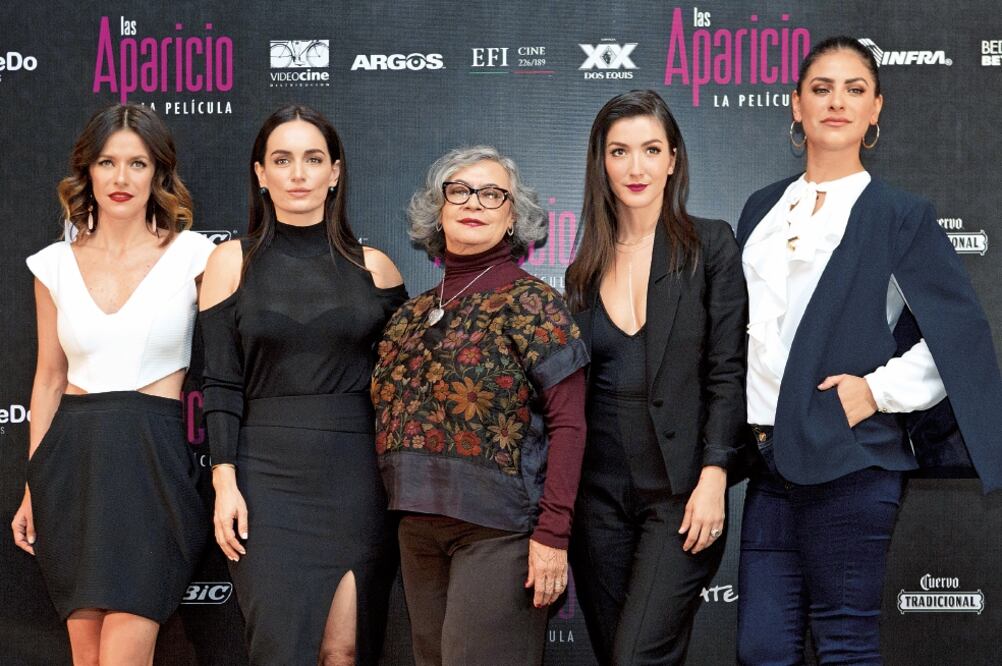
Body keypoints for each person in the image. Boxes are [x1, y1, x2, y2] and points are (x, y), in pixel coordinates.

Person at [735, 36, 1002, 664]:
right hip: (769, 461)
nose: (837, 102)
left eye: (854, 90)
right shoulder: (761, 209)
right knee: (761, 649)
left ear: (876, 108)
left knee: (845, 644)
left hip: (851, 460)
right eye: (820, 89)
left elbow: (956, 337)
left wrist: (873, 392)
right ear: (795, 106)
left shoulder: (899, 214)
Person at [198, 104, 406, 665]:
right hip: (264, 481)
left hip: (357, 481)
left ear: (334, 172)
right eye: (282, 160)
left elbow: (404, 388)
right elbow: (219, 383)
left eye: (312, 159)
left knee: (343, 651)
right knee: (280, 651)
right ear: (260, 174)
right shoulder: (229, 263)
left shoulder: (377, 269)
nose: (298, 173)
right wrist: (225, 482)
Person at [11, 103, 213, 664]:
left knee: (127, 642)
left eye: (137, 164)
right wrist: (33, 483)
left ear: (159, 174)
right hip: (71, 463)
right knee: (87, 653)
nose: (121, 179)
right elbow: (49, 381)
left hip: (152, 458)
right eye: (107, 163)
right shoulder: (51, 265)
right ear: (88, 172)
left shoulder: (198, 257)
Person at [371, 145, 588, 665]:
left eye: (493, 194)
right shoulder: (409, 315)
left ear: (513, 217)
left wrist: (553, 534)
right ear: (438, 209)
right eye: (460, 191)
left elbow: (570, 425)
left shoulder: (533, 303)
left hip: (500, 531)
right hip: (417, 528)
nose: (475, 203)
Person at [563, 90, 747, 665]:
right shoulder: (582, 268)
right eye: (620, 151)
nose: (635, 167)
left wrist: (714, 476)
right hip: (596, 504)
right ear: (602, 163)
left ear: (673, 159)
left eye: (650, 149)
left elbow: (727, 370)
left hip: (680, 497)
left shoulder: (709, 245)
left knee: (639, 656)